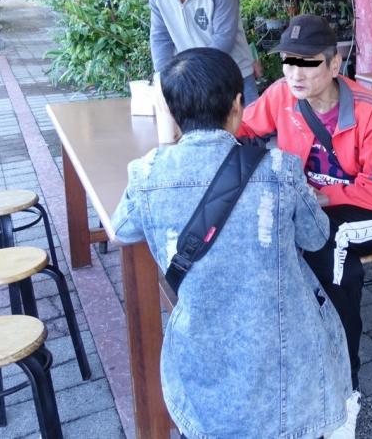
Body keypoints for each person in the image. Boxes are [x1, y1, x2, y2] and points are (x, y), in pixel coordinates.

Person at [110, 48, 352, 439]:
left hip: (202, 359)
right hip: (287, 358)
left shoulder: (147, 174)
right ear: (239, 105)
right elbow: (317, 235)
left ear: (172, 112)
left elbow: (121, 230)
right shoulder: (279, 168)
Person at [238, 14, 372, 391]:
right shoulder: (282, 95)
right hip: (313, 208)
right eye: (289, 62)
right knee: (266, 239)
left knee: (328, 251)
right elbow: (243, 128)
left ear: (334, 64)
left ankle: (345, 375)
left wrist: (321, 196)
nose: (296, 74)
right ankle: (294, 351)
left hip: (367, 213)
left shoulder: (368, 111)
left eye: (308, 63)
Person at [144, 0, 259, 105]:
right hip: (194, 80)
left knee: (251, 129)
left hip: (234, 75)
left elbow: (223, 39)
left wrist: (192, 74)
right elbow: (160, 37)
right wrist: (163, 75)